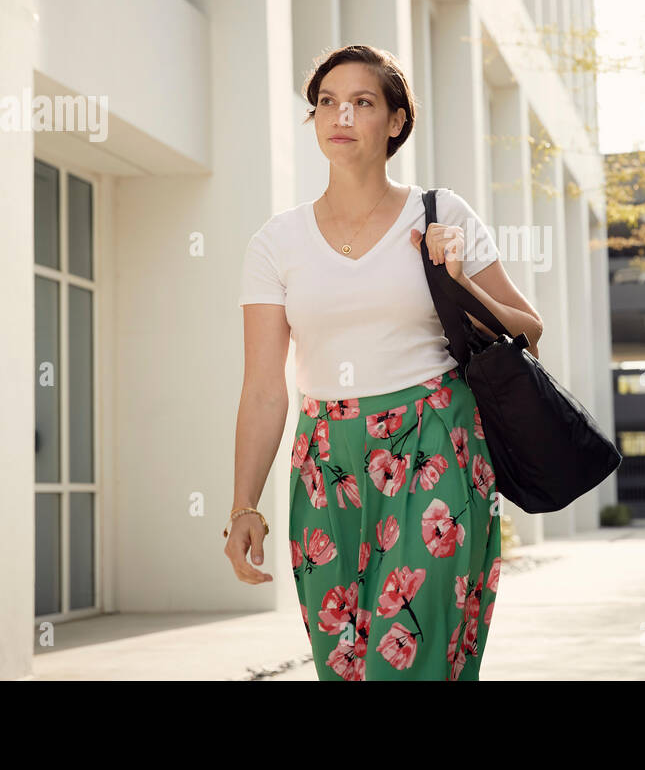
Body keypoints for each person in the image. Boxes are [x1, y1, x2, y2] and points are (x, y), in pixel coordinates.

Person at [228, 44, 544, 681]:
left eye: (362, 102)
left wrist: (455, 279)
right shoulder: (276, 242)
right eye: (326, 102)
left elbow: (526, 331)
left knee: (413, 657)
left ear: (397, 121)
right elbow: (264, 390)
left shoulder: (441, 214)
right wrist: (243, 507)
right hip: (325, 463)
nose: (340, 115)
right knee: (343, 665)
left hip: (437, 447)